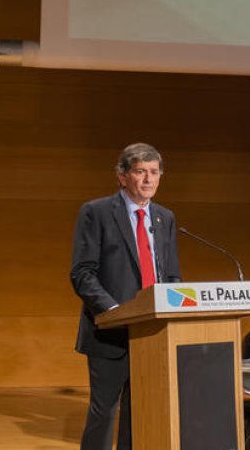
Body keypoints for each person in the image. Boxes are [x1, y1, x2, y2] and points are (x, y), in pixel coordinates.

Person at [70, 143, 182, 450]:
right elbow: (83, 273)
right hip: (110, 331)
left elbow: (171, 276)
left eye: (154, 172)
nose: (148, 179)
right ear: (122, 177)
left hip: (153, 333)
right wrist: (115, 311)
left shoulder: (164, 218)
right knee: (104, 413)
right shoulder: (97, 212)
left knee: (141, 412)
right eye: (139, 171)